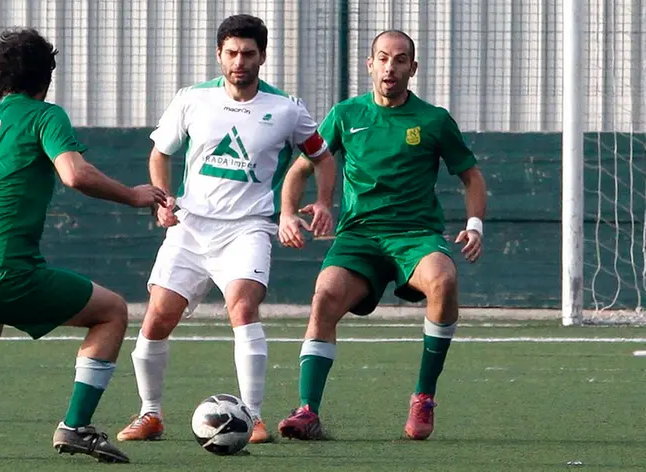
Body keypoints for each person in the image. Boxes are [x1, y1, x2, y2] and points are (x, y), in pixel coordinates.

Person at [0, 27, 167, 463]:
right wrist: (134, 195)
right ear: (47, 76)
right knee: (112, 310)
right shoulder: (45, 116)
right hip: (0, 268)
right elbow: (74, 174)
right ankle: (75, 427)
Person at [116, 14, 333, 444]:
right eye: (231, 53)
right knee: (158, 315)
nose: (239, 62)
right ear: (219, 55)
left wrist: (324, 201)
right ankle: (151, 414)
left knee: (242, 308)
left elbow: (322, 156)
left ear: (263, 57)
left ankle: (251, 416)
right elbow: (160, 153)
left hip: (248, 229)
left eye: (248, 54)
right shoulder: (191, 99)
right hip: (191, 228)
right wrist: (164, 199)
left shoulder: (286, 108)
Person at [276, 30, 488, 441]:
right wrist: (288, 212)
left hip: (415, 235)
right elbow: (302, 168)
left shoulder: (434, 120)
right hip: (360, 237)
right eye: (384, 58)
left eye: (401, 59)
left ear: (413, 68)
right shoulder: (345, 114)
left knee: (444, 279)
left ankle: (424, 396)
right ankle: (307, 411)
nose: (391, 67)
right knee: (324, 295)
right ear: (370, 64)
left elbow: (471, 176)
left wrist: (474, 224)